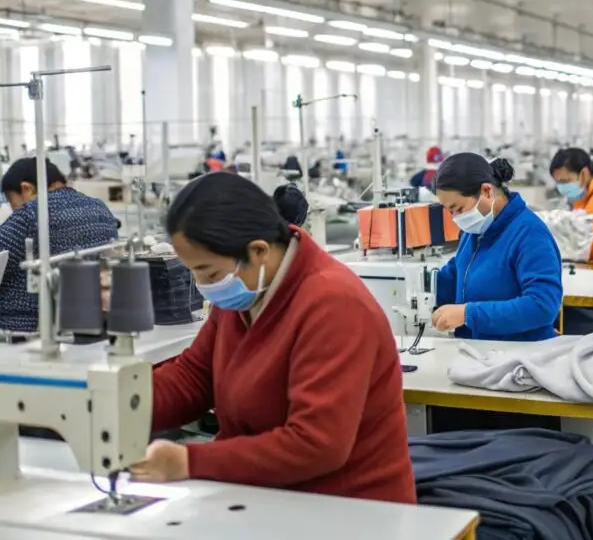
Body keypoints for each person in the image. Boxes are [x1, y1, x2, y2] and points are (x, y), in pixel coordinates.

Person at [130, 173, 415, 503]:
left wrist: (189, 461)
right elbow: (194, 378)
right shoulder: (246, 294)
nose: (202, 285)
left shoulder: (333, 305)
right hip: (265, 496)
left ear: (259, 251)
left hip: (346, 510)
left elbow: (317, 444)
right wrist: (120, 403)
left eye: (209, 273)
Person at [431, 153, 562, 341]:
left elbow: (542, 305)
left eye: (458, 209)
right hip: (483, 350)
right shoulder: (475, 230)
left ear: (486, 191)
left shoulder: (529, 234)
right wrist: (413, 285)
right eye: (450, 212)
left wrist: (468, 314)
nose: (455, 218)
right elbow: (456, 275)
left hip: (521, 354)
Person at [0, 158, 119, 333]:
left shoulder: (30, 214)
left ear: (26, 188)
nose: (15, 210)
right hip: (93, 321)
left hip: (27, 329)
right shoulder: (100, 208)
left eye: (13, 203)